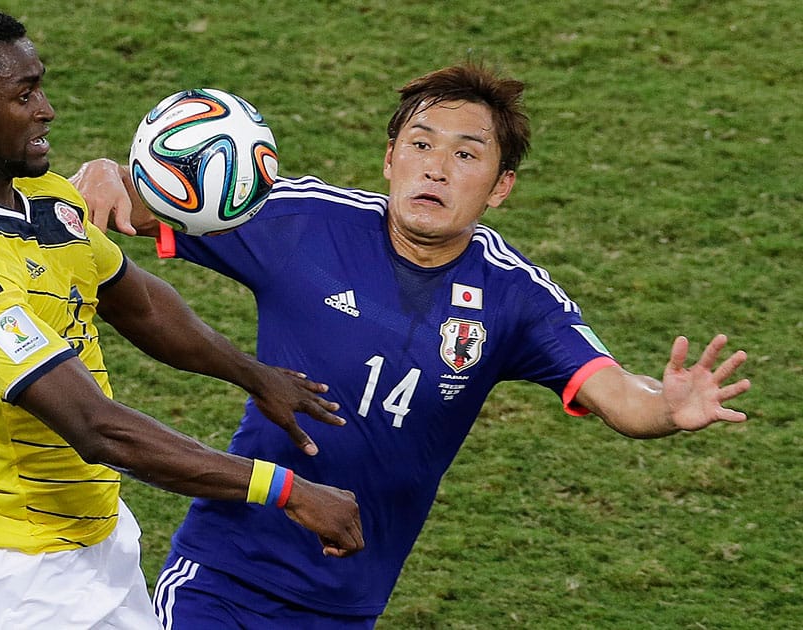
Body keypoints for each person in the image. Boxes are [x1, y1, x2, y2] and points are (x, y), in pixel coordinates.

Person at [74, 61, 753, 628]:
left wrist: (667, 408)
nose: (436, 168)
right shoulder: (301, 222)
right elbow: (138, 203)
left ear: (500, 188)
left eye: (466, 155)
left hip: (350, 601)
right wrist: (106, 171)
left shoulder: (516, 298)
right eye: (421, 145)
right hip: (223, 575)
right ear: (391, 158)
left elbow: (616, 394)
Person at [0, 6, 364, 629]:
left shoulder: (48, 201)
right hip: (10, 569)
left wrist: (252, 374)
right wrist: (286, 489)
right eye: (24, 94)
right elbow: (97, 428)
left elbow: (137, 302)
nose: (47, 108)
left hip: (101, 542)